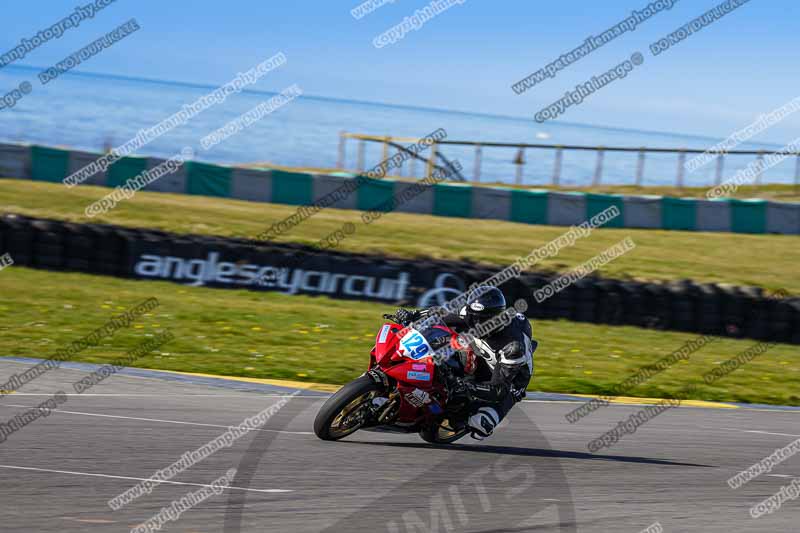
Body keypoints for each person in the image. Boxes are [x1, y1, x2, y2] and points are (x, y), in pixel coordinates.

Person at [393, 286, 536, 440]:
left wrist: (466, 386)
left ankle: (461, 418)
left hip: (509, 379)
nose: (475, 323)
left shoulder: (512, 347)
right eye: (473, 317)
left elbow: (498, 389)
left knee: (481, 422)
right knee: (446, 349)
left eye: (483, 320)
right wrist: (413, 315)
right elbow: (440, 315)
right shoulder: (471, 315)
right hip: (483, 353)